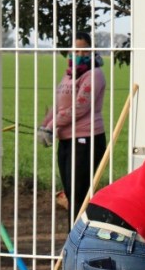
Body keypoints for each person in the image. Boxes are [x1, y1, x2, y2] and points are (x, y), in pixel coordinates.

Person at [38, 31, 107, 213]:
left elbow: (80, 107)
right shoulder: (68, 75)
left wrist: (52, 126)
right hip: (66, 139)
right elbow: (59, 104)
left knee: (79, 195)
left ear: (92, 51)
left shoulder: (94, 74)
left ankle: (78, 231)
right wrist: (44, 125)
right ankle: (73, 230)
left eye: (85, 51)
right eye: (76, 51)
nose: (80, 54)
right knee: (70, 194)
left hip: (86, 140)